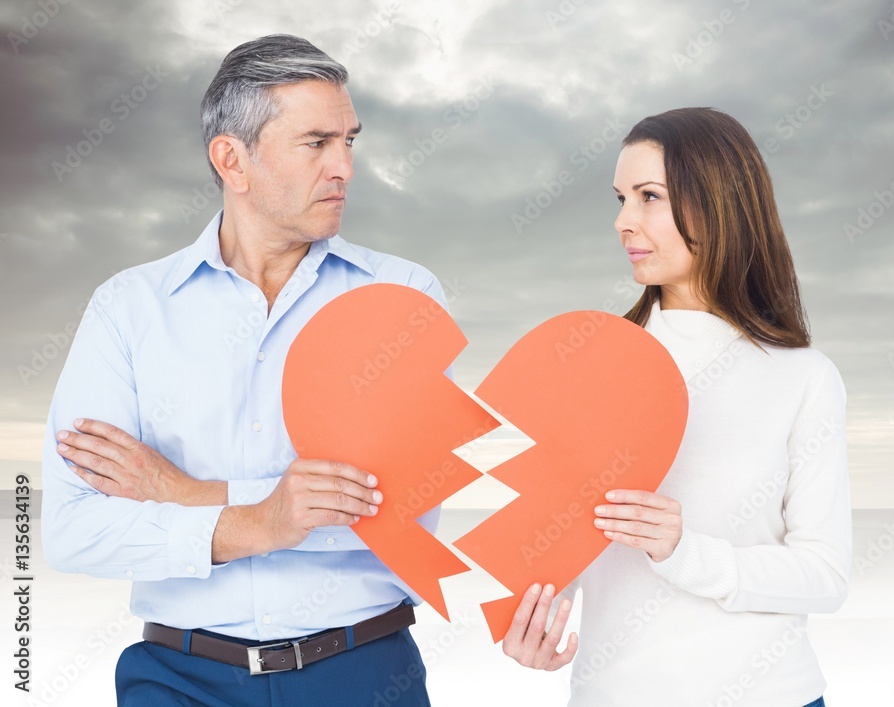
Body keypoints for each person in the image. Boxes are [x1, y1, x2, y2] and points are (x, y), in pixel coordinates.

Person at [42, 34, 440, 706]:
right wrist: (261, 519)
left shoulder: (403, 296)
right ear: (232, 159)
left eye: (350, 140)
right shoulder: (128, 308)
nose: (344, 166)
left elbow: (404, 517)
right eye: (317, 143)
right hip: (176, 679)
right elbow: (75, 532)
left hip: (364, 673)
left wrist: (178, 489)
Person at [501, 107, 851, 707]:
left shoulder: (804, 378)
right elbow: (565, 538)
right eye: (619, 198)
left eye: (649, 197)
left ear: (720, 203)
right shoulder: (590, 365)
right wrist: (535, 615)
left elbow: (825, 577)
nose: (622, 221)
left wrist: (684, 552)